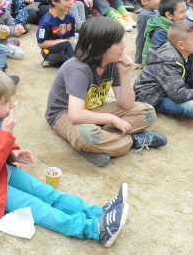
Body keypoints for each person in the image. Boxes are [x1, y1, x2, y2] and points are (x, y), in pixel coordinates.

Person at [0, 68, 130, 247]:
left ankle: (97, 213)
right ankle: (96, 230)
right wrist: (6, 133)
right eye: (5, 102)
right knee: (37, 207)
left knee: (48, 193)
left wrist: (13, 153)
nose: (12, 105)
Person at [45, 16, 164, 167]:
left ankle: (100, 143)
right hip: (63, 114)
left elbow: (126, 104)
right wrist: (111, 119)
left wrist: (124, 73)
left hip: (93, 109)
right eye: (117, 42)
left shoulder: (112, 63)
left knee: (147, 113)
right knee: (85, 135)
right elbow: (75, 115)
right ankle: (132, 140)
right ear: (100, 46)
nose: (123, 46)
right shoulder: (78, 68)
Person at [134, 20, 193, 130]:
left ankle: (190, 109)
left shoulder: (188, 52)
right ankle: (186, 113)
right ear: (181, 44)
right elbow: (178, 94)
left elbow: (192, 74)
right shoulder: (168, 61)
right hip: (154, 97)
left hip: (171, 88)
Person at [37, 0, 77, 67]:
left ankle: (63, 62)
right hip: (50, 52)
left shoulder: (70, 17)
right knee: (70, 44)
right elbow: (41, 43)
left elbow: (72, 35)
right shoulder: (47, 21)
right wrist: (60, 42)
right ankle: (73, 68)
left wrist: (71, 45)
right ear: (54, 1)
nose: (71, 2)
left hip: (65, 48)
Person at [133, 0, 162, 65]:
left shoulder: (155, 10)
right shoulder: (144, 16)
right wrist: (138, 61)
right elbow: (141, 37)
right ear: (144, 2)